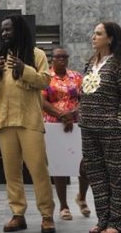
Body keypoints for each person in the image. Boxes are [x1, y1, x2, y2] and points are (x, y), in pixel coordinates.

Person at [0, 14, 56, 233]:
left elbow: (44, 81)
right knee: (11, 173)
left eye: (8, 30)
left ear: (19, 31)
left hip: (29, 121)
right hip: (5, 121)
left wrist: (24, 68)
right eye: (2, 30)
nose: (4, 34)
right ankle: (17, 215)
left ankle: (47, 216)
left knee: (39, 171)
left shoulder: (37, 54)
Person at [79, 21, 121, 233]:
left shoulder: (120, 64)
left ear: (110, 38)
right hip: (88, 129)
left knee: (119, 178)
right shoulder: (90, 62)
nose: (93, 36)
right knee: (97, 177)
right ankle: (104, 220)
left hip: (113, 132)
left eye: (98, 33)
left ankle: (119, 223)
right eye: (94, 32)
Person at [41, 47, 90, 221]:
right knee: (59, 165)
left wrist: (72, 114)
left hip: (77, 124)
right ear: (51, 59)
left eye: (65, 56)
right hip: (54, 126)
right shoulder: (46, 77)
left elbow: (83, 99)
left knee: (85, 163)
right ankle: (63, 206)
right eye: (58, 56)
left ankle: (82, 197)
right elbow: (42, 101)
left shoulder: (76, 77)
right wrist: (61, 116)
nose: (62, 59)